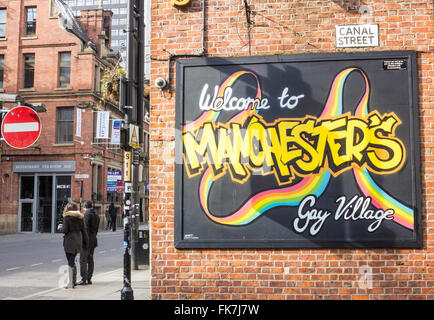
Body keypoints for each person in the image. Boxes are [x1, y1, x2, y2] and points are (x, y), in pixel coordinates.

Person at [58, 202, 88, 289]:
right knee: (72, 261)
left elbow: (65, 230)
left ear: (67, 209)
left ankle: (71, 283)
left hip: (70, 242)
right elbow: (84, 231)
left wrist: (60, 228)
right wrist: (86, 242)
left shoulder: (67, 217)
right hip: (78, 241)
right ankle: (73, 282)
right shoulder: (80, 217)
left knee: (70, 262)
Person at [78, 200, 100, 285]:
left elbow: (85, 229)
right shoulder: (96, 214)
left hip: (86, 241)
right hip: (93, 240)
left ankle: (83, 279)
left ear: (84, 206)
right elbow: (96, 230)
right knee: (90, 259)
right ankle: (89, 278)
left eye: (83, 207)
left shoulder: (86, 214)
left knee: (83, 260)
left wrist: (84, 241)